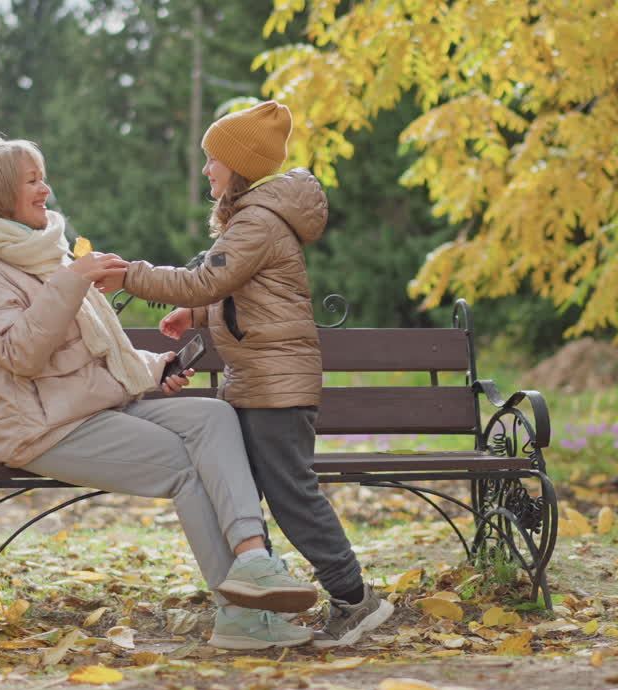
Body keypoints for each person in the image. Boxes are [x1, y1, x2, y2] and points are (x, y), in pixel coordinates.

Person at [0, 134, 319, 650]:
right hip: (48, 430)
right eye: (32, 181)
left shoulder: (47, 257)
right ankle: (240, 617)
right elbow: (22, 357)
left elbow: (97, 352)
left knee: (212, 418)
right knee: (186, 466)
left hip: (96, 412)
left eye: (42, 177)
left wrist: (153, 366)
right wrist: (70, 281)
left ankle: (253, 561)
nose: (46, 190)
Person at [95, 101, 394, 647]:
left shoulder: (257, 220)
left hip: (275, 385)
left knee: (291, 495)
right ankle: (266, 603)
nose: (207, 169)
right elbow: (239, 295)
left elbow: (204, 282)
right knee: (265, 493)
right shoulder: (256, 219)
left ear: (241, 166)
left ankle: (354, 598)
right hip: (262, 380)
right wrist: (200, 316)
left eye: (213, 160)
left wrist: (128, 276)